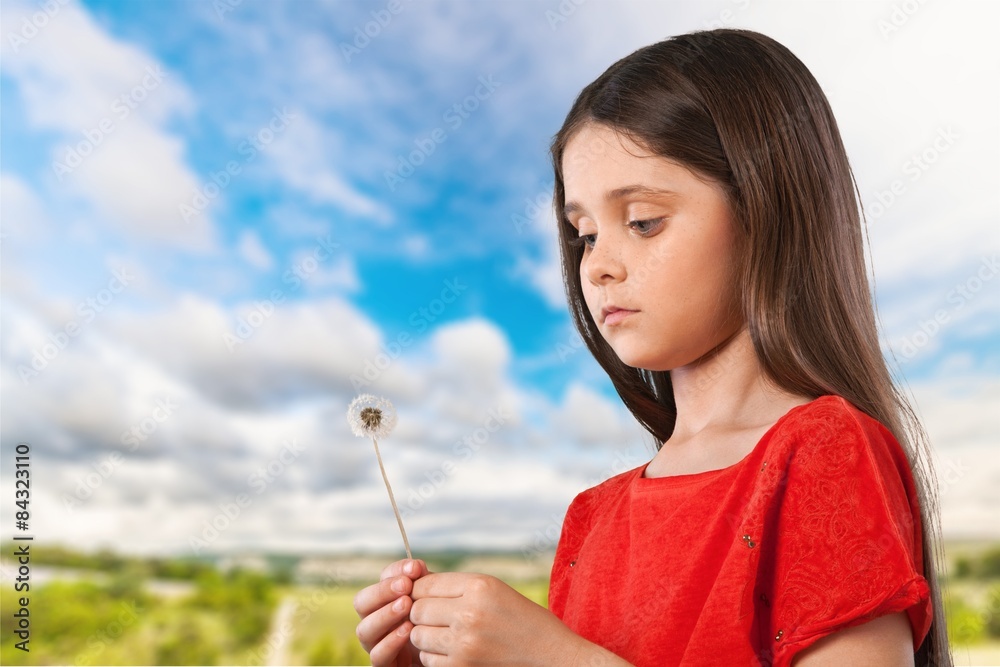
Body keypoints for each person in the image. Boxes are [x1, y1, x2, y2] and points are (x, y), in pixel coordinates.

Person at [353, 28, 951, 667]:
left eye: (642, 221)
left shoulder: (823, 452)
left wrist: (556, 660)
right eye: (583, 234)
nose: (598, 265)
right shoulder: (592, 517)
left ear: (764, 208)